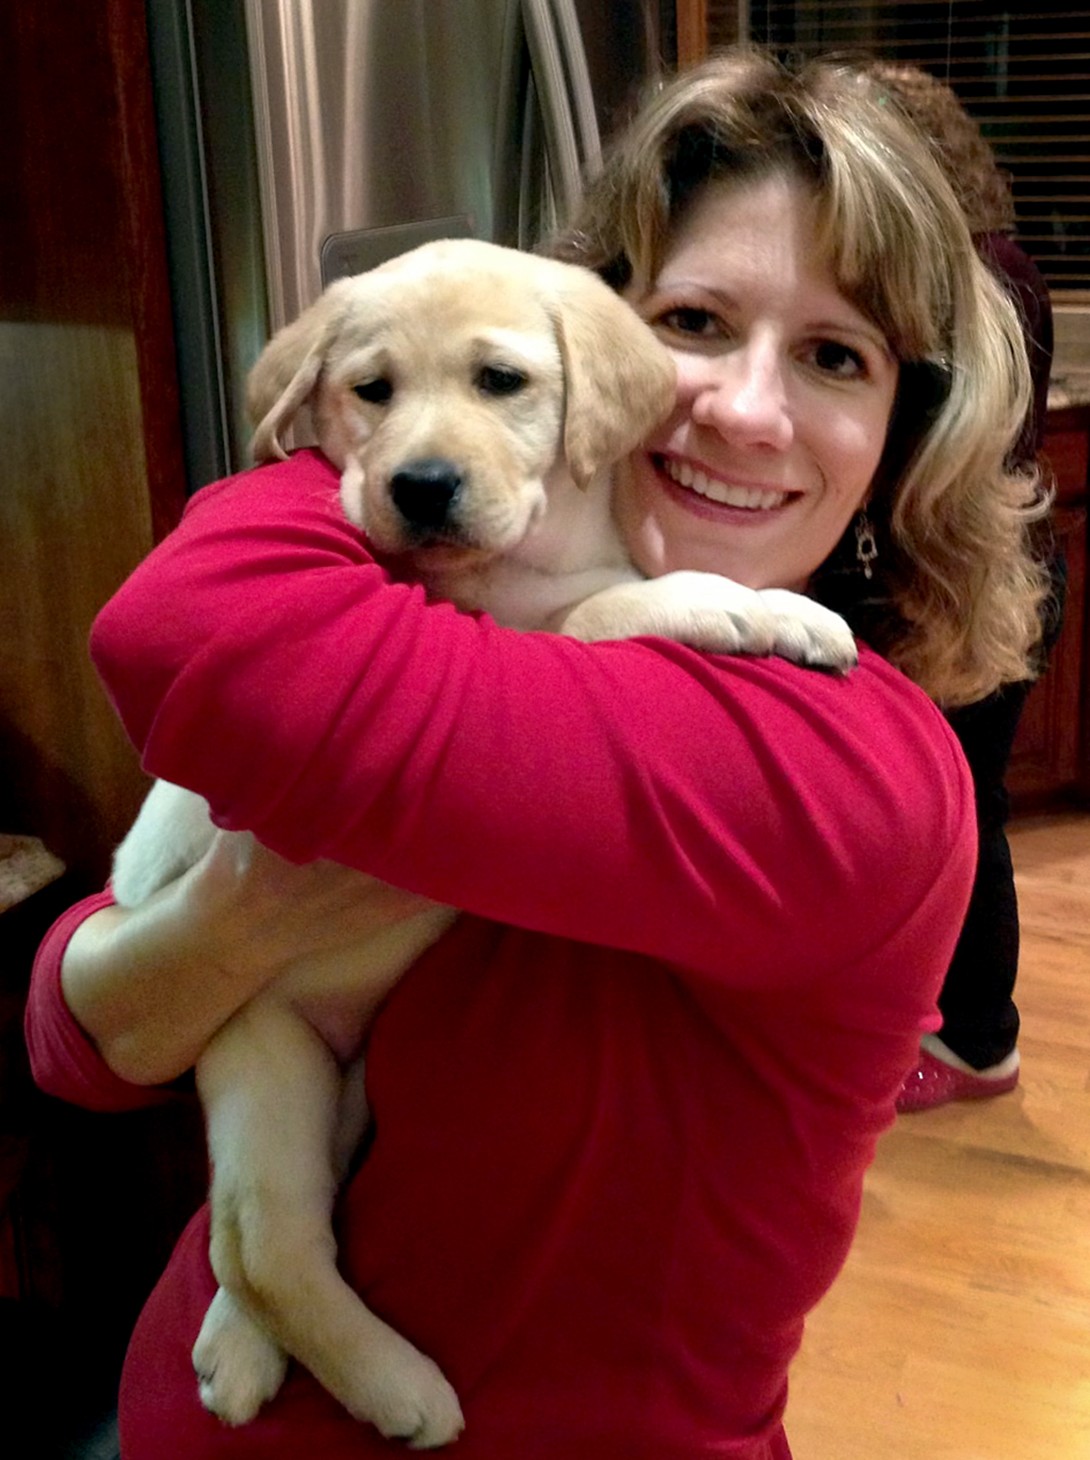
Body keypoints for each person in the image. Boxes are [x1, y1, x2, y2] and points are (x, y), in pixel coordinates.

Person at [25, 47, 1048, 1460]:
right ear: (602, 347)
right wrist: (193, 947)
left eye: (833, 356)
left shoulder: (839, 767)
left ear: (899, 444)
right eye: (693, 320)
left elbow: (186, 626)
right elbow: (76, 1037)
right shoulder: (464, 601)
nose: (742, 411)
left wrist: (196, 951)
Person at [860, 61, 1062, 1112]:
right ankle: (957, 1029)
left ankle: (979, 1041)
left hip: (963, 573)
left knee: (961, 821)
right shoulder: (1006, 261)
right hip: (1007, 562)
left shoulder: (959, 282)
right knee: (960, 812)